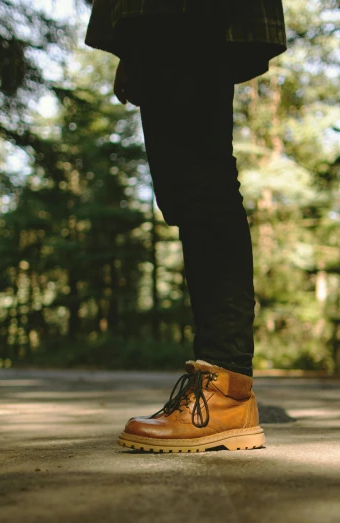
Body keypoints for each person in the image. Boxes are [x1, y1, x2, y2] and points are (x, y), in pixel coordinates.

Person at [84, 1, 287, 453]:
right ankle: (220, 387)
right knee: (180, 186)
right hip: (151, 14)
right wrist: (128, 42)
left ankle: (226, 389)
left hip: (188, 8)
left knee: (201, 177)